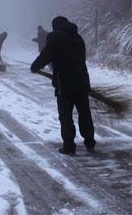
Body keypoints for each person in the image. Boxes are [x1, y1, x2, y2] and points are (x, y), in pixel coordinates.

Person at [30, 16, 95, 155]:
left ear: (55, 26)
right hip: (82, 82)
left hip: (65, 84)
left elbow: (46, 55)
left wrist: (35, 66)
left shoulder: (55, 37)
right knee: (85, 113)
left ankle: (69, 147)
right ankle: (90, 142)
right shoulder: (78, 38)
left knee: (66, 116)